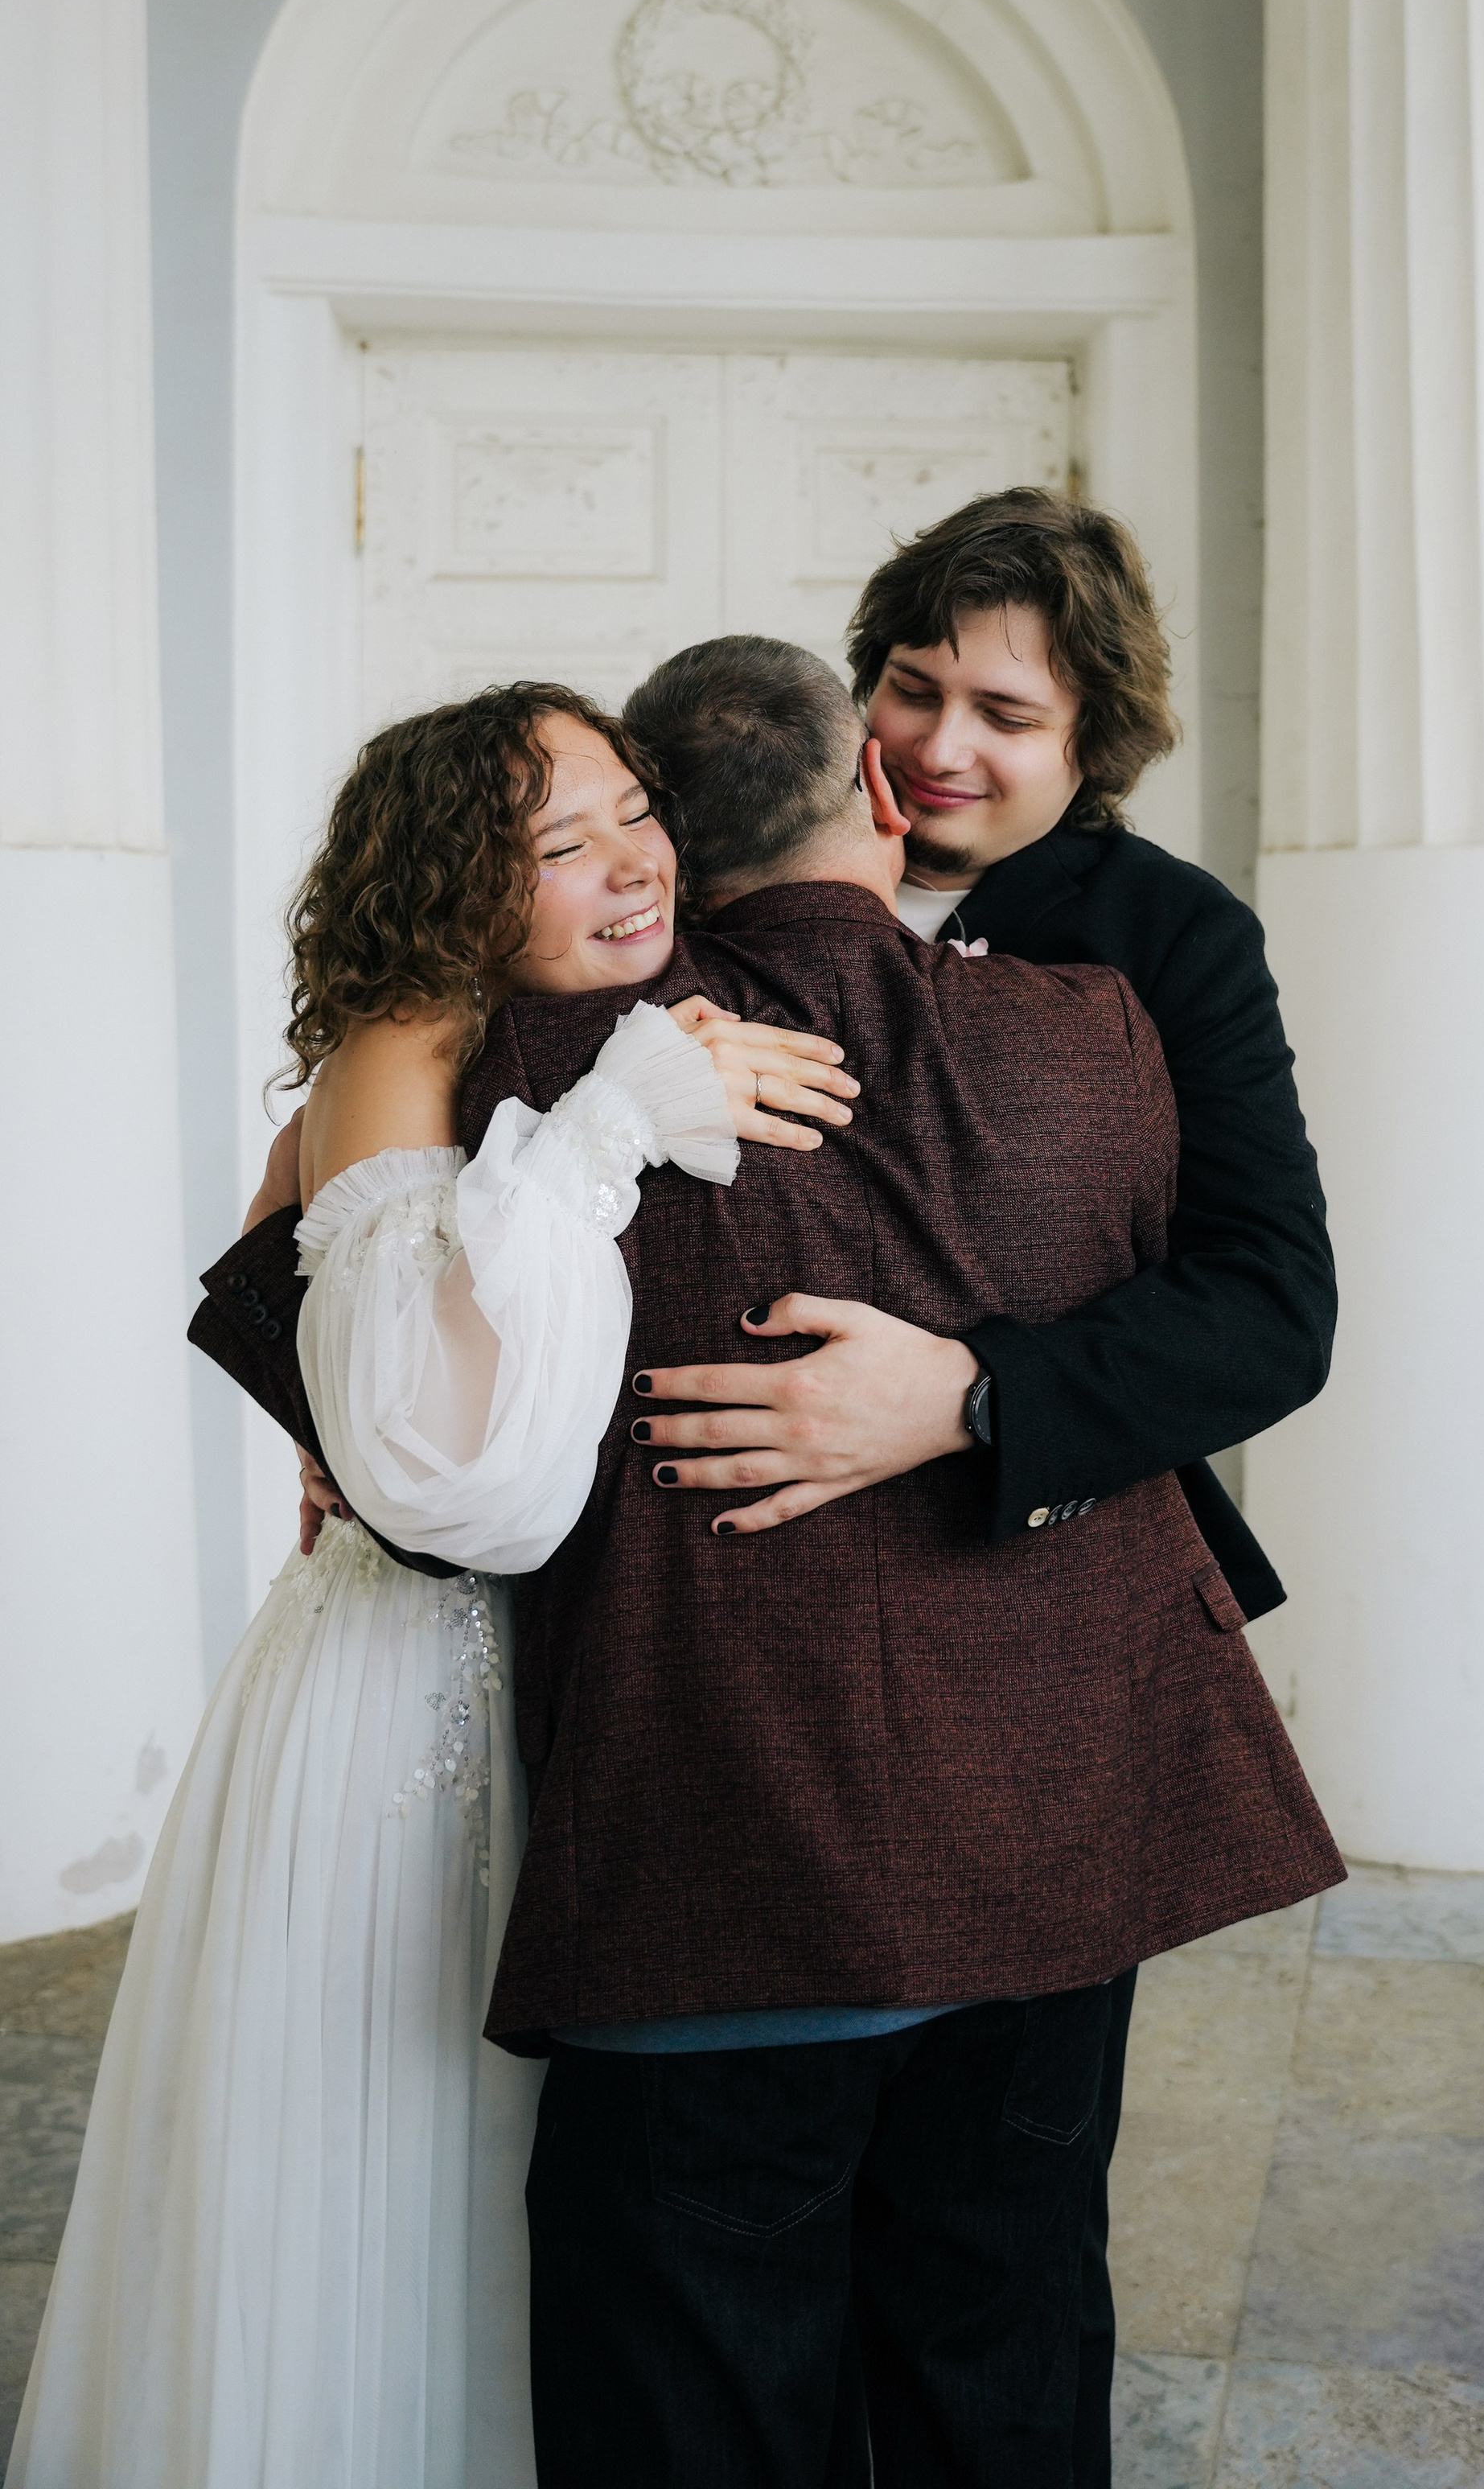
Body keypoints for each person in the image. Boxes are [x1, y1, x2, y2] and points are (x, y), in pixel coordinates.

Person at [197, 638, 1343, 2489]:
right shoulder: (1095, 1037)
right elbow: (1206, 1315)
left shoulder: (524, 1061)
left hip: (717, 1890)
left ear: (670, 842)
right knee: (1003, 2380)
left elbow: (328, 1317)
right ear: (875, 795)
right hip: (1052, 1860)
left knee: (700, 2419)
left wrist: (337, 1407)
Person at [6, 685, 849, 2489]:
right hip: (412, 1692)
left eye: (635, 811)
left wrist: (346, 1411)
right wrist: (610, 1129)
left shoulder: (572, 1021)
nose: (631, 864)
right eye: (562, 845)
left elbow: (302, 1303)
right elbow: (459, 1485)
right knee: (391, 2152)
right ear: (462, 883)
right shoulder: (411, 1038)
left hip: (555, 1681)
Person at [620, 488, 1336, 2479]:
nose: (941, 746)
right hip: (727, 1702)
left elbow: (1268, 1310)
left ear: (1093, 740)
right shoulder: (694, 887)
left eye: (1005, 715)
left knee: (991, 2299)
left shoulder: (1165, 942)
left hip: (1033, 1662)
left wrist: (963, 1400)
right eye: (914, 687)